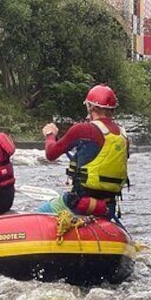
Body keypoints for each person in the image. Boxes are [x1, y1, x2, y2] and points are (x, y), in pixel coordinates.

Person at [38, 84, 129, 218]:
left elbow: (51, 154)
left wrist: (50, 135)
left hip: (80, 204)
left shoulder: (84, 129)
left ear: (91, 107)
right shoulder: (123, 136)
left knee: (39, 213)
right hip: (107, 208)